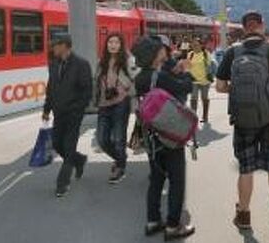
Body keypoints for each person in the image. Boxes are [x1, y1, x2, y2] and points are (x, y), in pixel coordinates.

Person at [215, 11, 269, 231]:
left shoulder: (232, 52)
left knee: (245, 168)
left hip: (242, 119)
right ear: (262, 26)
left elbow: (219, 86)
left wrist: (239, 91)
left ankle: (243, 216)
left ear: (245, 28)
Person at [134, 35, 195, 241]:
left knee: (156, 178)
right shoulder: (159, 77)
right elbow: (184, 86)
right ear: (153, 54)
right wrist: (186, 72)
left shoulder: (142, 76)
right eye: (160, 49)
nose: (164, 50)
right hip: (169, 135)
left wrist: (173, 70)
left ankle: (152, 221)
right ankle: (173, 226)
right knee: (177, 180)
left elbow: (166, 81)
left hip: (150, 136)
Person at [42, 34, 93, 198]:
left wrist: (78, 109)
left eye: (55, 45)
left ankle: (62, 183)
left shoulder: (82, 64)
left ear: (65, 46)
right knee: (57, 144)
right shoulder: (54, 64)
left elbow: (87, 91)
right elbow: (51, 89)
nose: (52, 48)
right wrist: (46, 109)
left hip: (73, 114)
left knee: (69, 146)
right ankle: (79, 160)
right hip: (58, 112)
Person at [95, 33, 135, 184]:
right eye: (110, 42)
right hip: (104, 104)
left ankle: (120, 168)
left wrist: (127, 89)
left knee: (119, 138)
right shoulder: (101, 62)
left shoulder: (128, 60)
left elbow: (136, 77)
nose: (112, 45)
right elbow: (96, 82)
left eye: (116, 42)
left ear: (121, 44)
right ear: (106, 45)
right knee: (102, 139)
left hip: (121, 103)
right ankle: (120, 158)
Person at [188, 37, 216, 123]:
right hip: (194, 81)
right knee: (193, 99)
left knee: (204, 98)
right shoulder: (190, 54)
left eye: (197, 44)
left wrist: (211, 74)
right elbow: (188, 66)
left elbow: (211, 66)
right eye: (193, 44)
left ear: (201, 45)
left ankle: (205, 116)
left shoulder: (206, 54)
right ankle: (193, 116)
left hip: (205, 81)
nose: (195, 46)